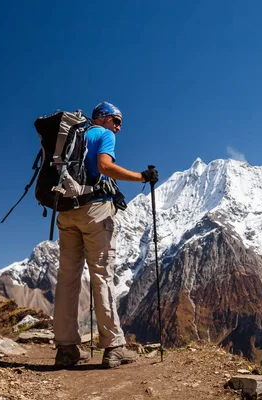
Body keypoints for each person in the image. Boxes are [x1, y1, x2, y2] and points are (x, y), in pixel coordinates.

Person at [53, 101, 158, 368]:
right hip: (94, 211)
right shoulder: (104, 134)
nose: (119, 127)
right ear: (103, 118)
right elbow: (104, 167)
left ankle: (66, 349)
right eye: (116, 120)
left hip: (66, 211)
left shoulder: (71, 137)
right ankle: (113, 347)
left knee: (67, 278)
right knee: (101, 275)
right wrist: (141, 177)